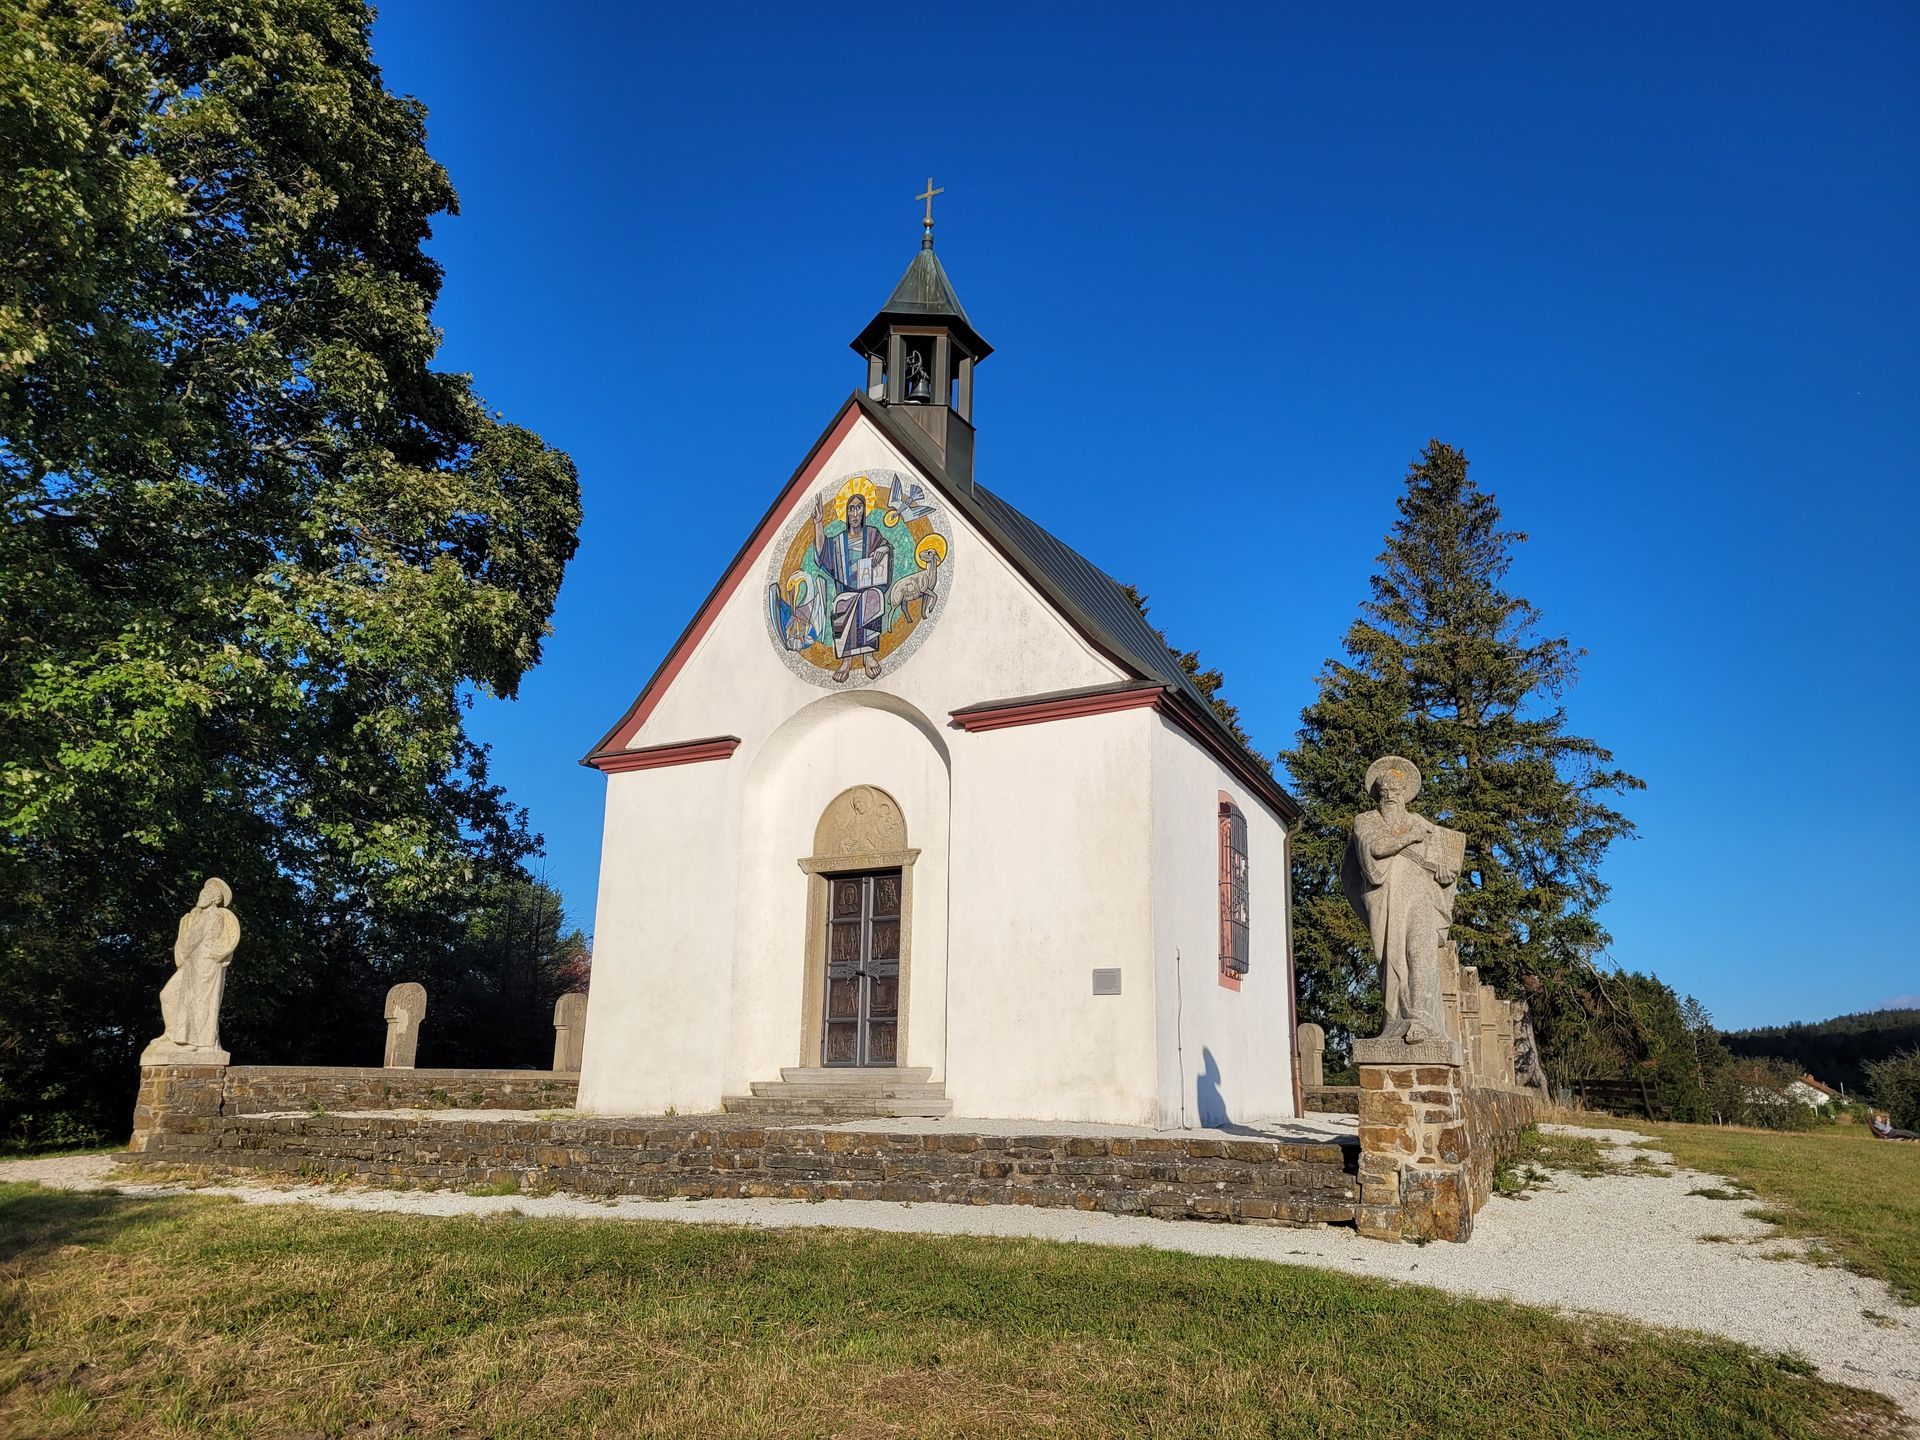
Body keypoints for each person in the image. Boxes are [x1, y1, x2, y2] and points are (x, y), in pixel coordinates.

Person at [1341, 757, 1461, 1045]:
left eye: (1397, 790)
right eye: (1386, 790)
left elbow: (1443, 864)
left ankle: (1421, 1019)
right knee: (1392, 960)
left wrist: (1446, 877)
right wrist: (1411, 836)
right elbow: (1377, 848)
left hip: (1420, 894)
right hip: (1387, 897)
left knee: (1421, 953)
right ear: (1378, 793)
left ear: (1406, 792)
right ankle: (1397, 1020)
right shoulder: (1366, 821)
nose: (1391, 795)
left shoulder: (1420, 823)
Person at [812, 490, 892, 682]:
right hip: (846, 590)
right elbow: (822, 554)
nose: (855, 513)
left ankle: (868, 655)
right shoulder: (839, 541)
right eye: (851, 509)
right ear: (846, 513)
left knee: (872, 598)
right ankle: (846, 661)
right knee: (842, 604)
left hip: (867, 587)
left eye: (858, 508)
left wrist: (882, 548)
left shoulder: (872, 533)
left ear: (864, 511)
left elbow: (886, 546)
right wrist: (818, 523)